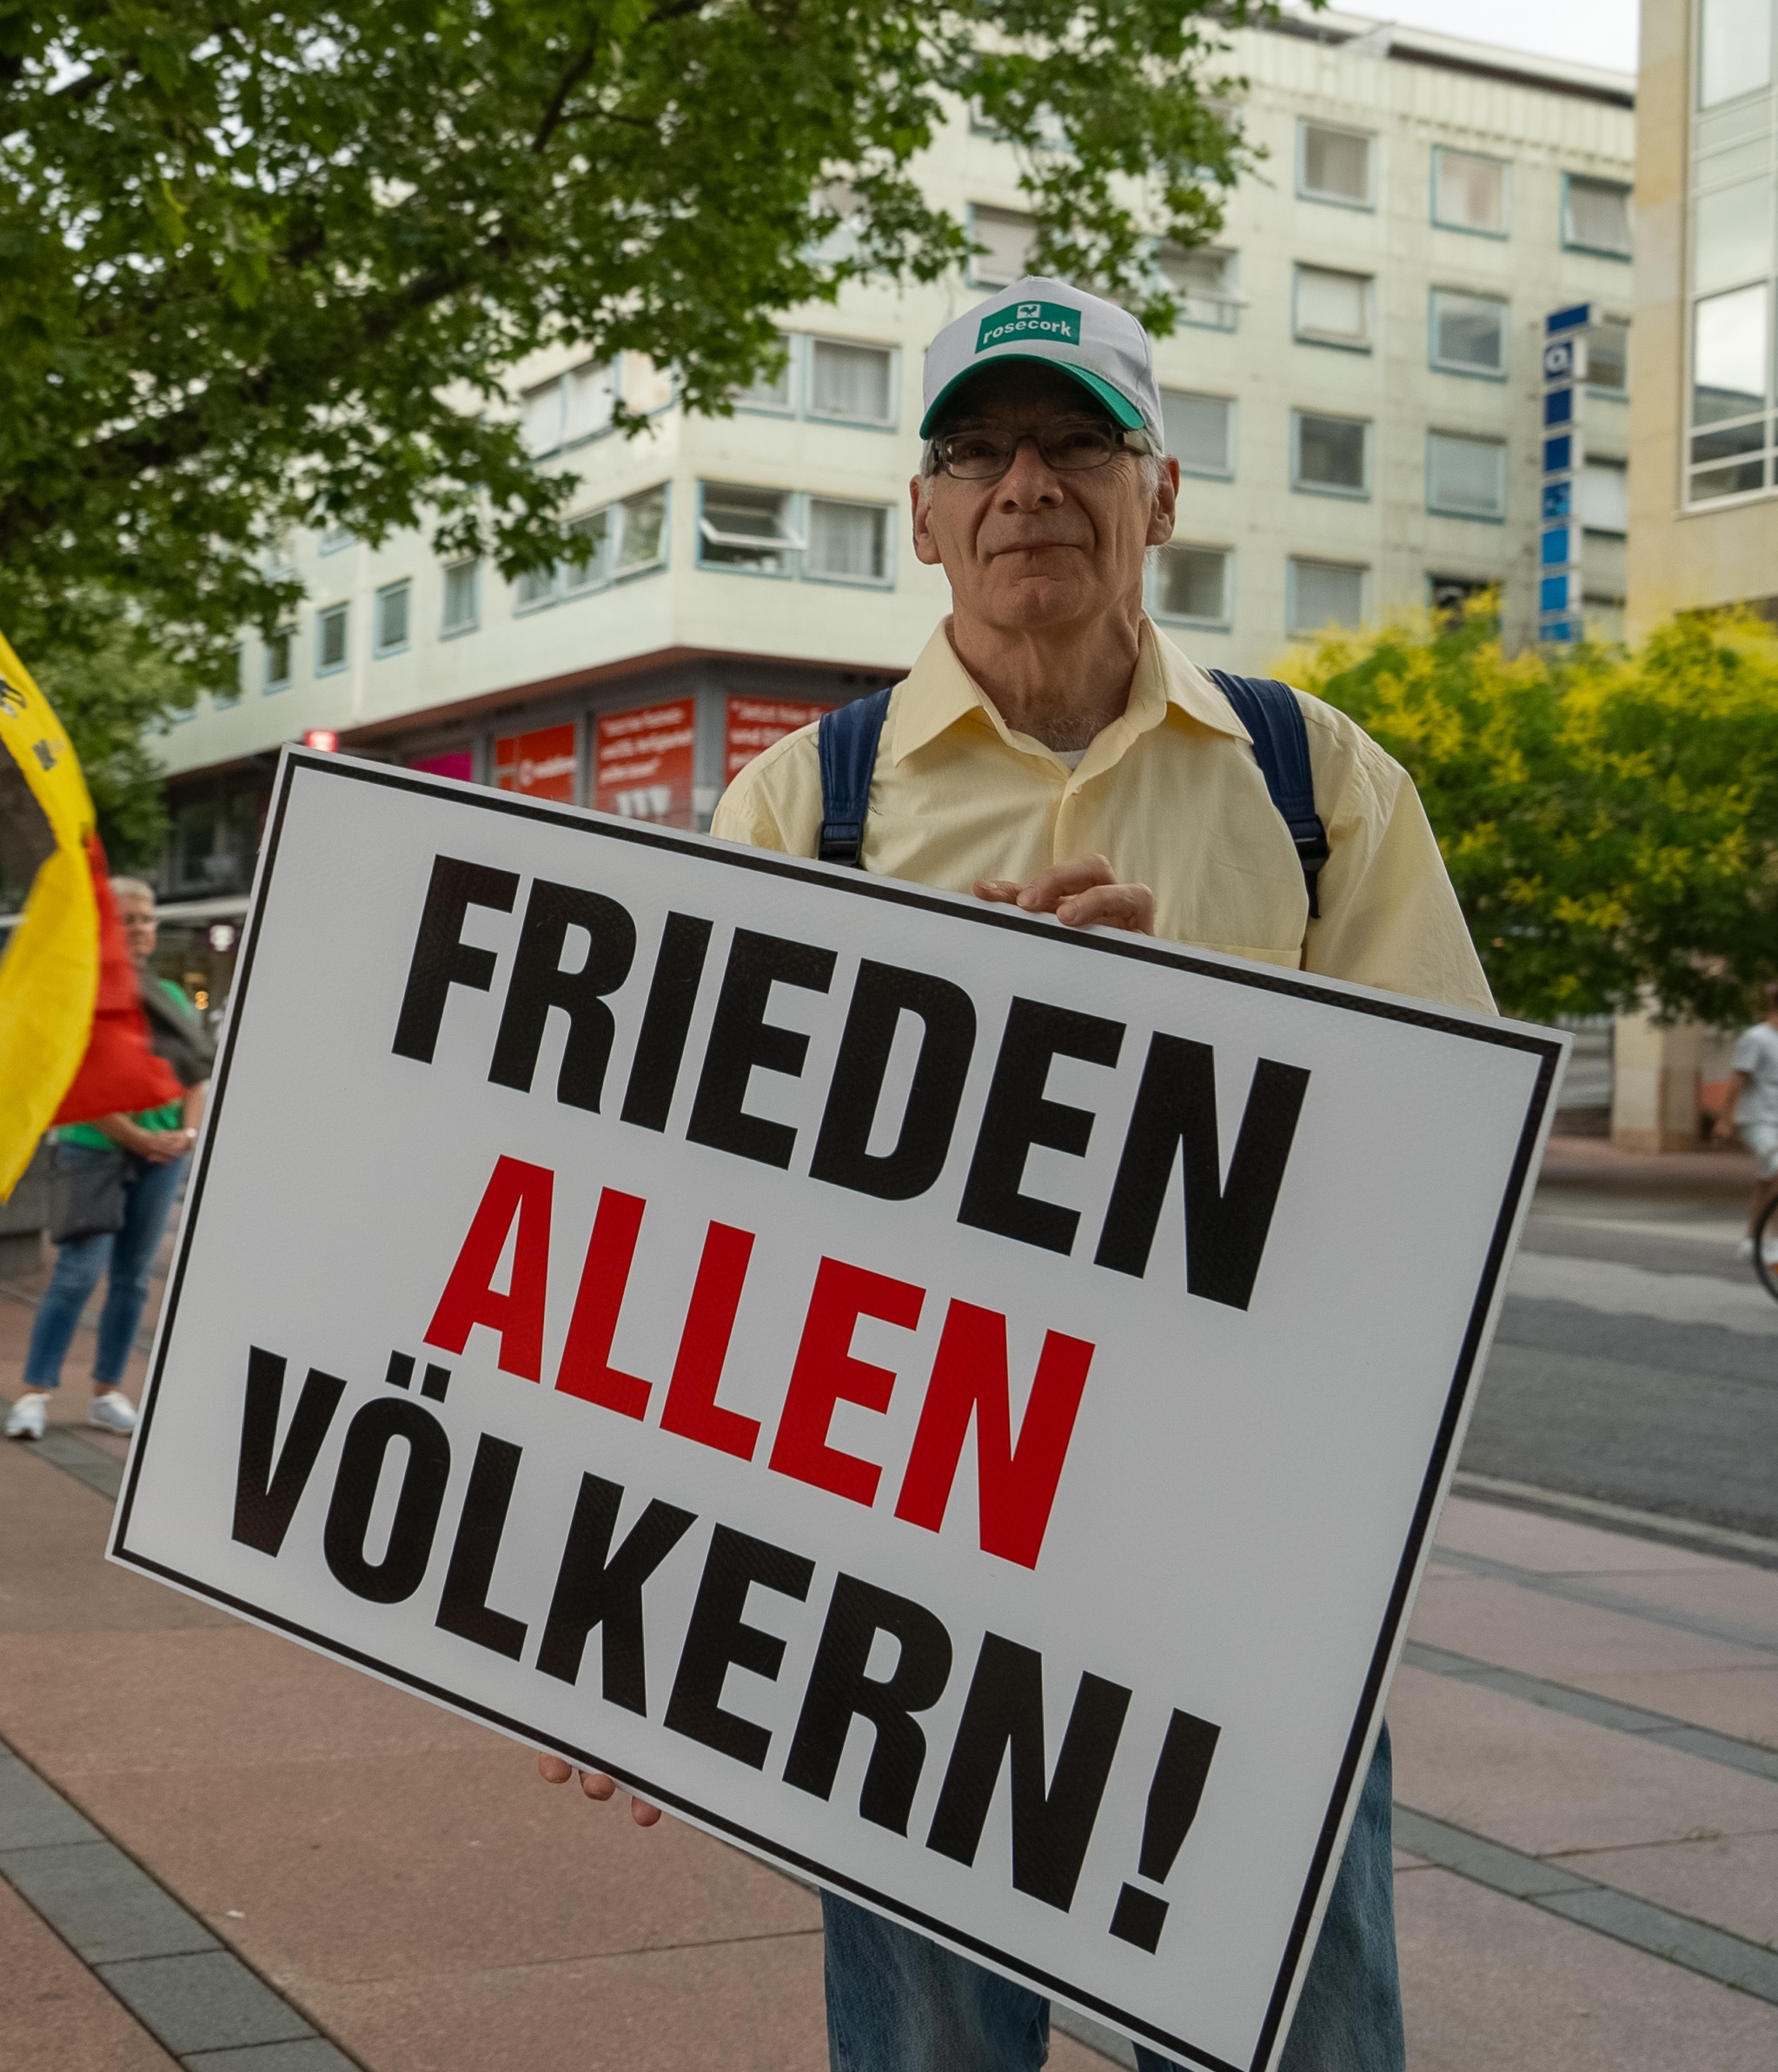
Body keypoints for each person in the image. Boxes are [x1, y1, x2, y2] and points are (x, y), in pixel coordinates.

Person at [540, 279, 1490, 2072]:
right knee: (925, 2048)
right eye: (974, 450)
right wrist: (620, 1608)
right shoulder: (801, 809)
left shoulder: (1315, 786)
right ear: (918, 515)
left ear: (1161, 488)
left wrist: (1179, 1056)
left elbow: (1428, 1185)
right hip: (902, 1565)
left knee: (1291, 2024)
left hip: (1236, 1555)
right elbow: (684, 1225)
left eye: (1072, 443)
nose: (1022, 485)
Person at [8, 878, 210, 1440]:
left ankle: (107, 1391)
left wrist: (186, 1135)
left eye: (148, 919)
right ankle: (34, 1393)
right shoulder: (82, 994)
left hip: (164, 1155)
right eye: (129, 919)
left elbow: (196, 1075)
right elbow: (71, 1083)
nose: (142, 929)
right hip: (95, 1149)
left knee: (134, 1279)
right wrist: (136, 1137)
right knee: (77, 1272)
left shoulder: (170, 997)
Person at [1730, 985, 1778, 1253]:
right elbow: (1739, 1076)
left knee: (1766, 1183)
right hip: (1760, 1120)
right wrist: (1725, 1118)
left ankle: (1750, 1239)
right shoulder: (1756, 1038)